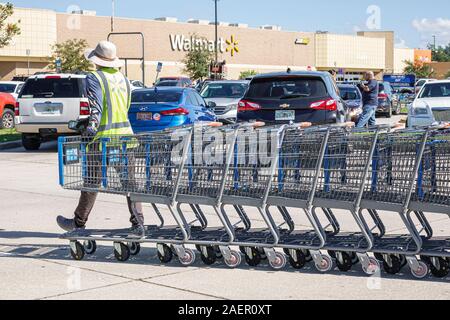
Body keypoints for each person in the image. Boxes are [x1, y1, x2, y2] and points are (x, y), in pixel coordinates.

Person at [57, 41, 144, 236]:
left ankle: (78, 223)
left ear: (96, 60)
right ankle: (138, 223)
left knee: (91, 181)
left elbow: (96, 110)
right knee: (129, 182)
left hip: (102, 140)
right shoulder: (124, 80)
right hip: (125, 139)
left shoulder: (94, 78)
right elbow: (125, 107)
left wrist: (88, 130)